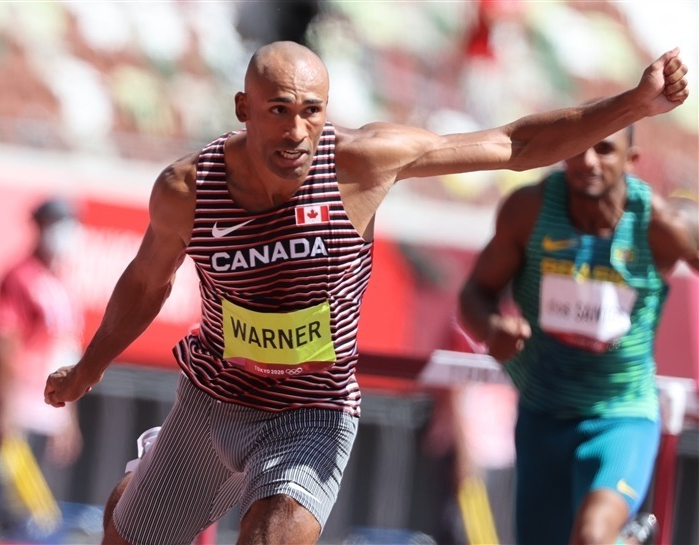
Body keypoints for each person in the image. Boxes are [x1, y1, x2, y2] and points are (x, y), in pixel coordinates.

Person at [43, 40, 689, 545]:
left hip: (313, 410)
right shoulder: (187, 189)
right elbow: (148, 278)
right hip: (214, 399)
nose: (297, 131)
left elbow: (515, 143)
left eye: (312, 111)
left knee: (269, 534)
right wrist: (90, 365)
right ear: (243, 109)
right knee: (123, 535)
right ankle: (149, 473)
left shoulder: (360, 163)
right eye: (278, 110)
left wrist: (635, 103)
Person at [457, 121, 698, 545]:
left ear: (631, 161)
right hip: (541, 412)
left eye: (603, 150)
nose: (586, 161)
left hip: (620, 415)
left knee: (592, 535)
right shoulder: (529, 210)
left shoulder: (660, 224)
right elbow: (474, 293)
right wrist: (491, 328)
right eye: (577, 149)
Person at [0, 197, 84, 539]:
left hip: (47, 408)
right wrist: (3, 407)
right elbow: (5, 341)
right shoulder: (20, 276)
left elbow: (68, 351)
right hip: (16, 402)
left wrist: (68, 417)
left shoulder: (64, 282)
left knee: (36, 510)